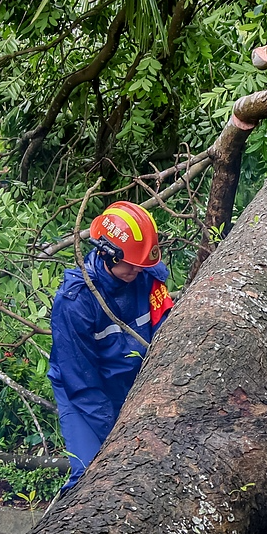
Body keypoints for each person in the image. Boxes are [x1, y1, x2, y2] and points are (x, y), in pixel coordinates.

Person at [48, 202, 174, 488]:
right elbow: (80, 380)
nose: (138, 270)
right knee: (90, 475)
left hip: (132, 382)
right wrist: (116, 433)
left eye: (143, 264)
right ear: (107, 253)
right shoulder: (76, 301)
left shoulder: (148, 274)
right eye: (132, 263)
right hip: (84, 393)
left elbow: (164, 327)